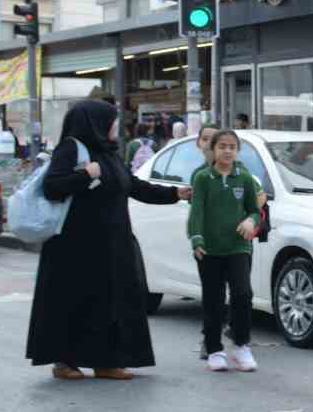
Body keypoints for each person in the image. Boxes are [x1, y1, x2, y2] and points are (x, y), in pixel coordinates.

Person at [24, 99, 190, 380]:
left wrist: (174, 194)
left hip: (113, 244)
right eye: (111, 121)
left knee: (112, 303)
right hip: (76, 248)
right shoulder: (71, 149)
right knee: (77, 303)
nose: (116, 126)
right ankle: (65, 362)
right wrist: (84, 175)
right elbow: (53, 187)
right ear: (94, 123)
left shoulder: (109, 153)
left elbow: (133, 186)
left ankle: (107, 361)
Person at [189, 128, 263, 373]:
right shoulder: (202, 178)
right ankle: (214, 350)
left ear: (237, 150)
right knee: (213, 300)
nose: (227, 151)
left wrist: (251, 221)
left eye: (232, 146)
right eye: (222, 146)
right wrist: (197, 239)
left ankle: (241, 344)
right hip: (209, 249)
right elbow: (196, 211)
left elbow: (254, 208)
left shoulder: (244, 177)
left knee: (243, 294)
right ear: (213, 150)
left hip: (238, 247)